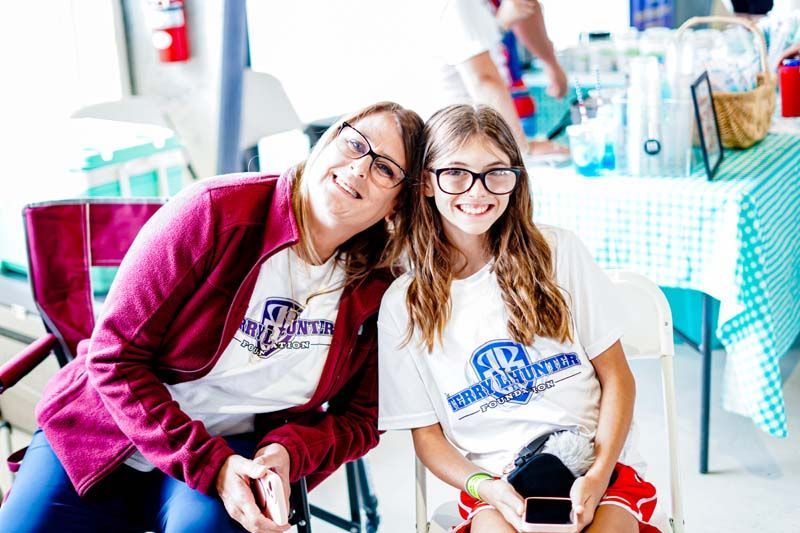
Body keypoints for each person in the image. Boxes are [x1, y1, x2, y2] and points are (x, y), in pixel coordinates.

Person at [0, 101, 423, 533]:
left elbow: (361, 419)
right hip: (105, 428)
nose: (359, 168)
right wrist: (208, 464)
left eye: (385, 169)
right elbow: (113, 357)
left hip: (236, 447)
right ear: (326, 142)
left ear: (397, 205)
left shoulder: (381, 288)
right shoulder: (214, 211)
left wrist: (290, 450)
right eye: (355, 143)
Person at [378, 104, 658, 532]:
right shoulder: (403, 304)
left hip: (597, 466)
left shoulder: (558, 253)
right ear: (428, 182)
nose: (477, 191)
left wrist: (599, 475)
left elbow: (617, 377)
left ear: (516, 178)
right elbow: (428, 438)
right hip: (496, 486)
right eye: (456, 172)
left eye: (495, 172)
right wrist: (486, 488)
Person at [417, 0, 568, 158]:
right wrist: (520, 149)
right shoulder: (459, 4)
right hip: (462, 144)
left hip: (475, 142)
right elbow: (484, 80)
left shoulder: (479, 6)